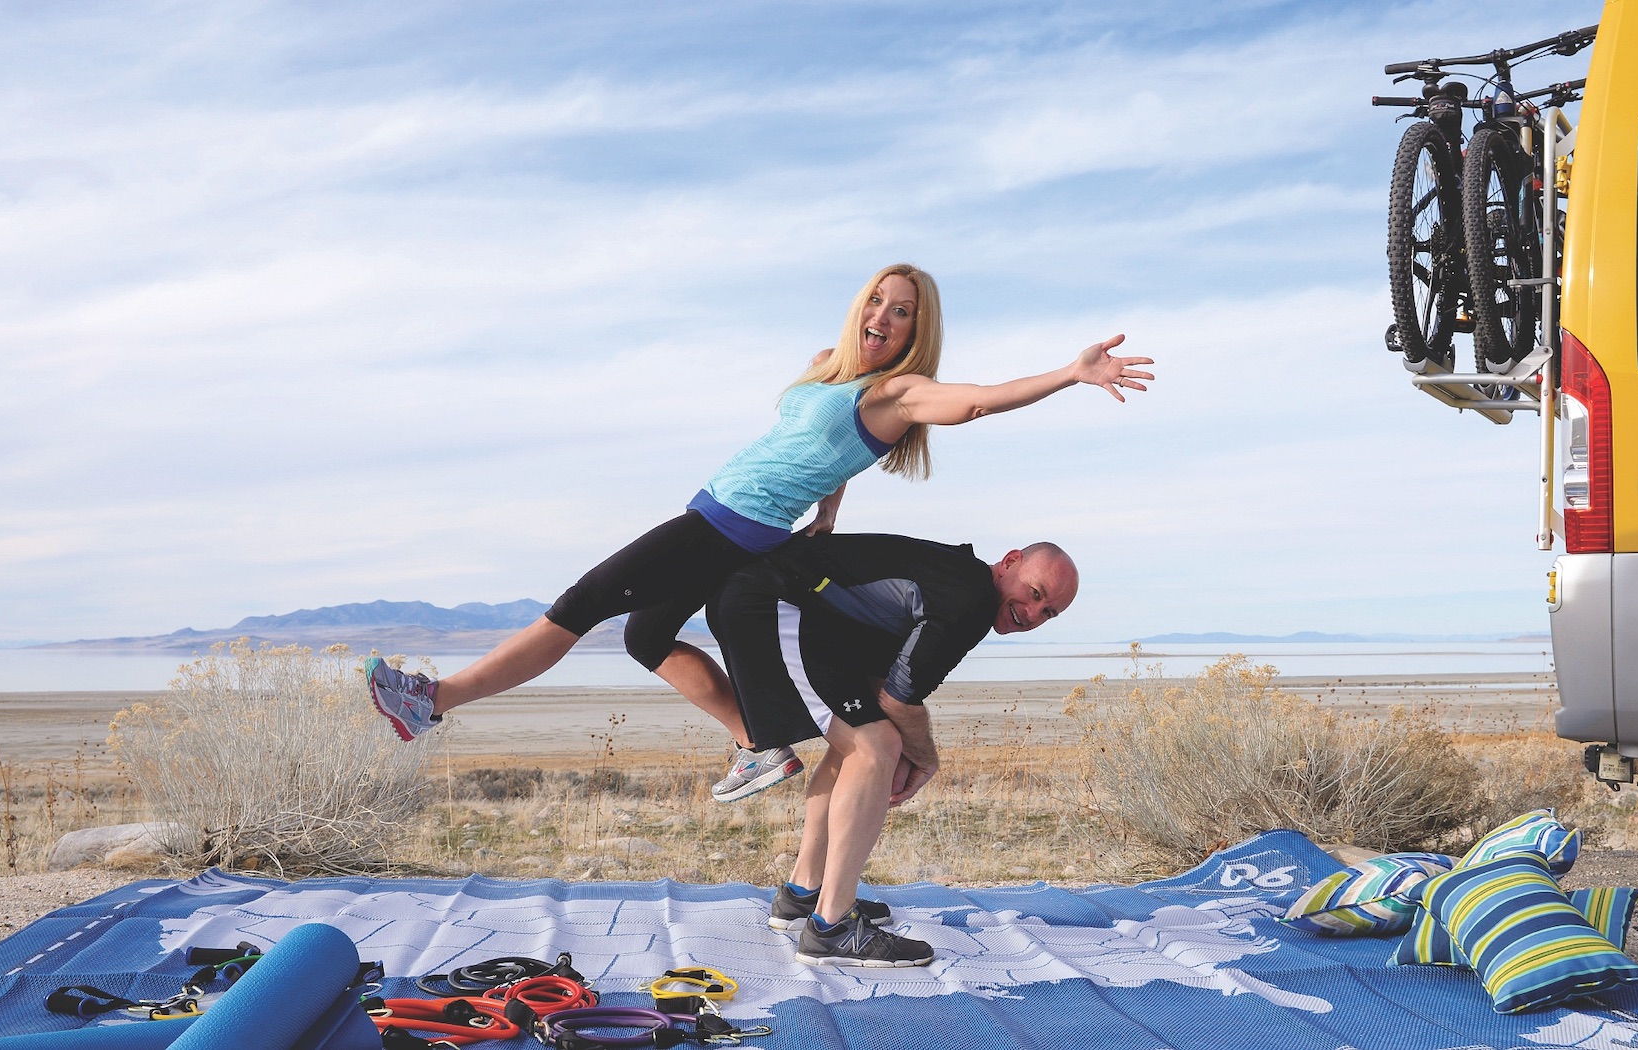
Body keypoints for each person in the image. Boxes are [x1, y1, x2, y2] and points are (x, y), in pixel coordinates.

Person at [365, 263, 1148, 803]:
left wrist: (1068, 374)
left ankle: (430, 702)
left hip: (731, 529)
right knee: (644, 637)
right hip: (721, 514)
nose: (883, 315)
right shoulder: (828, 365)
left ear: (917, 330)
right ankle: (760, 740)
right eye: (878, 299)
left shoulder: (900, 391)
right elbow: (817, 447)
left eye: (902, 310)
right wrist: (833, 503)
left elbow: (978, 400)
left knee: (585, 600)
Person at [703, 530, 1077, 967]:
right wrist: (926, 760)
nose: (1033, 613)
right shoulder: (968, 598)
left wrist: (906, 750)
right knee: (876, 746)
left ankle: (804, 897)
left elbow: (886, 683)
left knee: (861, 745)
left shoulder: (961, 585)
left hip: (789, 609)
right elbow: (900, 697)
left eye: (1047, 612)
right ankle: (831, 927)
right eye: (1035, 593)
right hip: (772, 603)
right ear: (1011, 560)